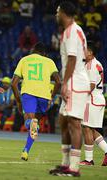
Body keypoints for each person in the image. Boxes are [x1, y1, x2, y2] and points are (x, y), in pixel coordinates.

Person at [49, 2, 90, 177]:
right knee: (63, 121)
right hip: (74, 80)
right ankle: (66, 164)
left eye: (58, 12)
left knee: (74, 123)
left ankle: (74, 168)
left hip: (75, 82)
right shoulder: (72, 31)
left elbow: (73, 60)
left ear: (64, 13)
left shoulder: (72, 31)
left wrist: (64, 84)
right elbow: (85, 54)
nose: (56, 14)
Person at [11, 42, 60, 161]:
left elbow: (13, 83)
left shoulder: (24, 60)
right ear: (44, 53)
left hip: (28, 93)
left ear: (33, 50)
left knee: (28, 121)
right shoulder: (50, 62)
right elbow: (58, 81)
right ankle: (26, 151)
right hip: (44, 95)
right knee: (35, 124)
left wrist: (18, 101)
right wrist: (51, 97)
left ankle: (29, 124)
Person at [79, 43, 107, 166]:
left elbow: (90, 86)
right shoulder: (98, 64)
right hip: (98, 99)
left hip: (91, 100)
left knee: (86, 128)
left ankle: (89, 160)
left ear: (90, 53)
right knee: (92, 130)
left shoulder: (90, 65)